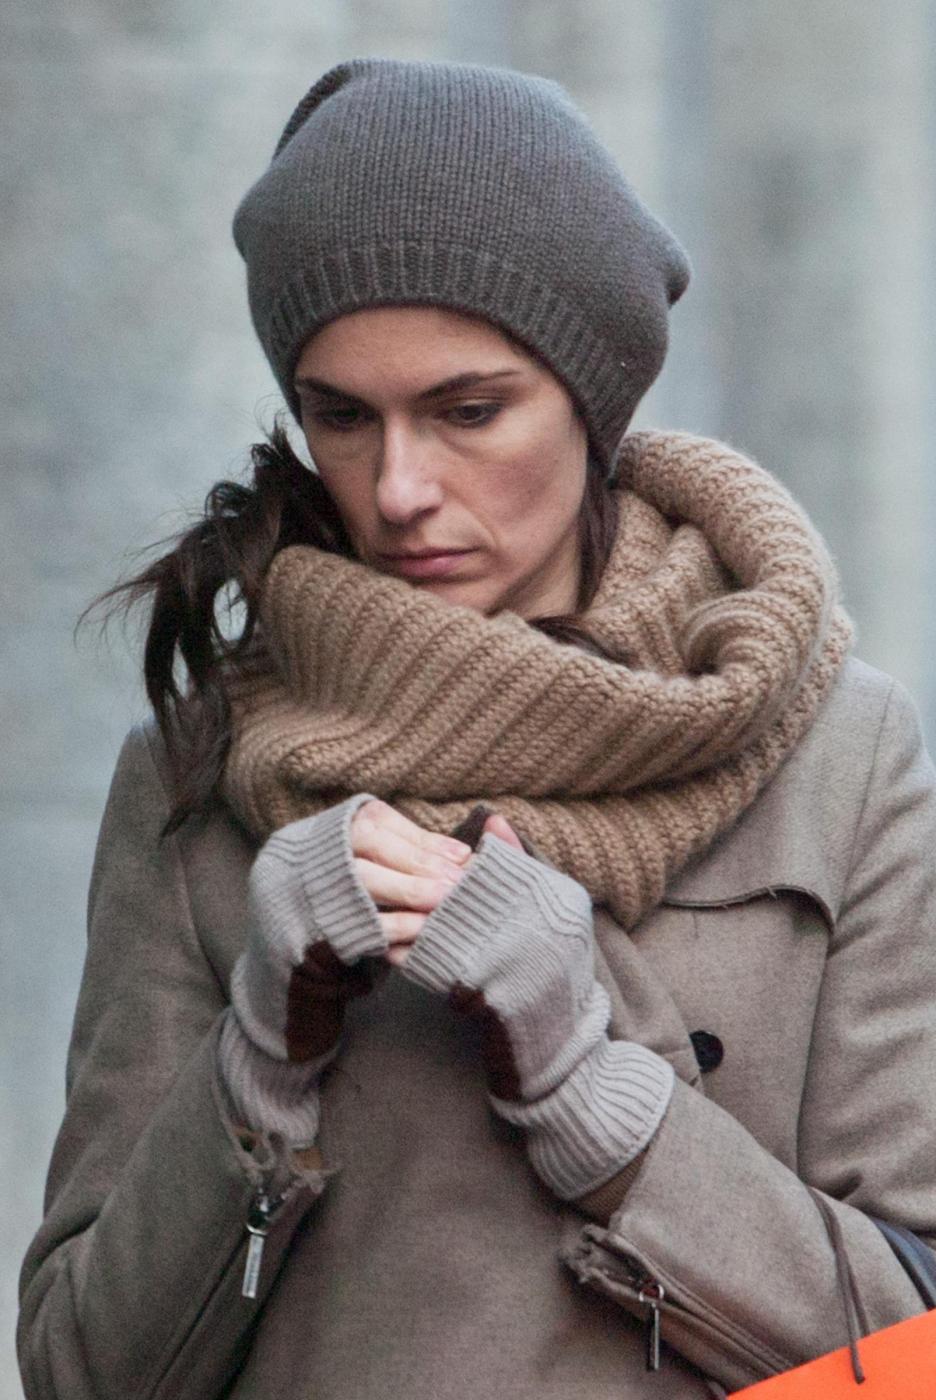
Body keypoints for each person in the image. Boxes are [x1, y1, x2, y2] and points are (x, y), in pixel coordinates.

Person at [17, 57, 936, 1400]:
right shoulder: (198, 774)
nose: (398, 488)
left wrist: (592, 1090)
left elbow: (911, 1349)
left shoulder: (836, 760)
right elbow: (81, 1373)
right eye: (341, 416)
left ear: (592, 395)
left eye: (467, 411)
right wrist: (260, 1062)